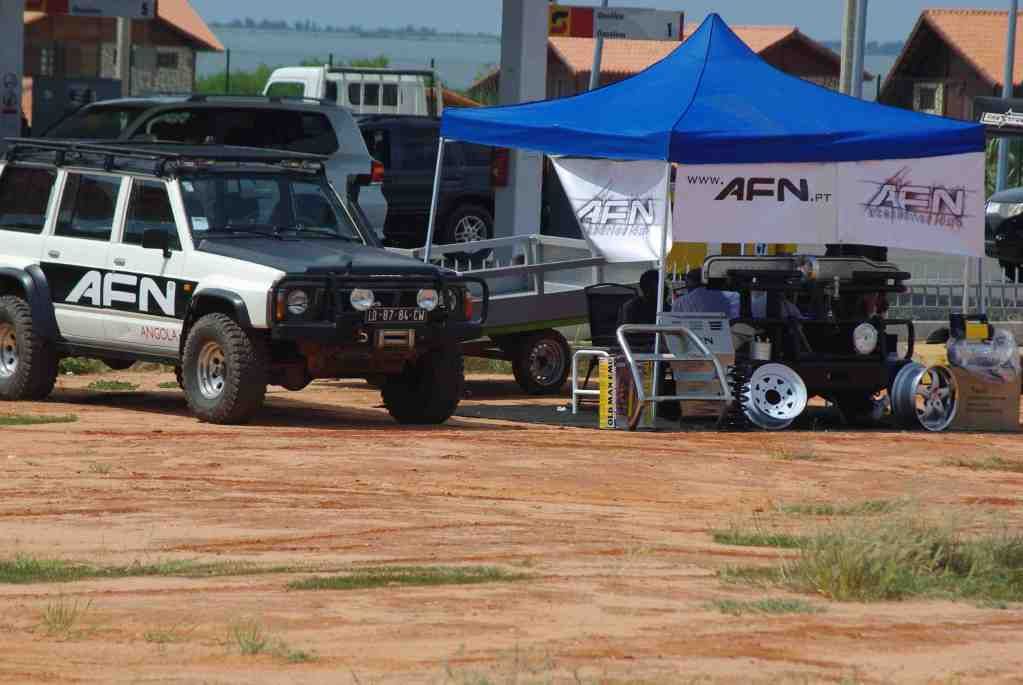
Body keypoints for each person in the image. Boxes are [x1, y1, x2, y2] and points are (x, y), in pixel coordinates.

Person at [673, 268, 740, 319]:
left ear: (691, 282)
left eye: (686, 282)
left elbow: (674, 323)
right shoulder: (728, 297)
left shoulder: (679, 302)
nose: (685, 285)